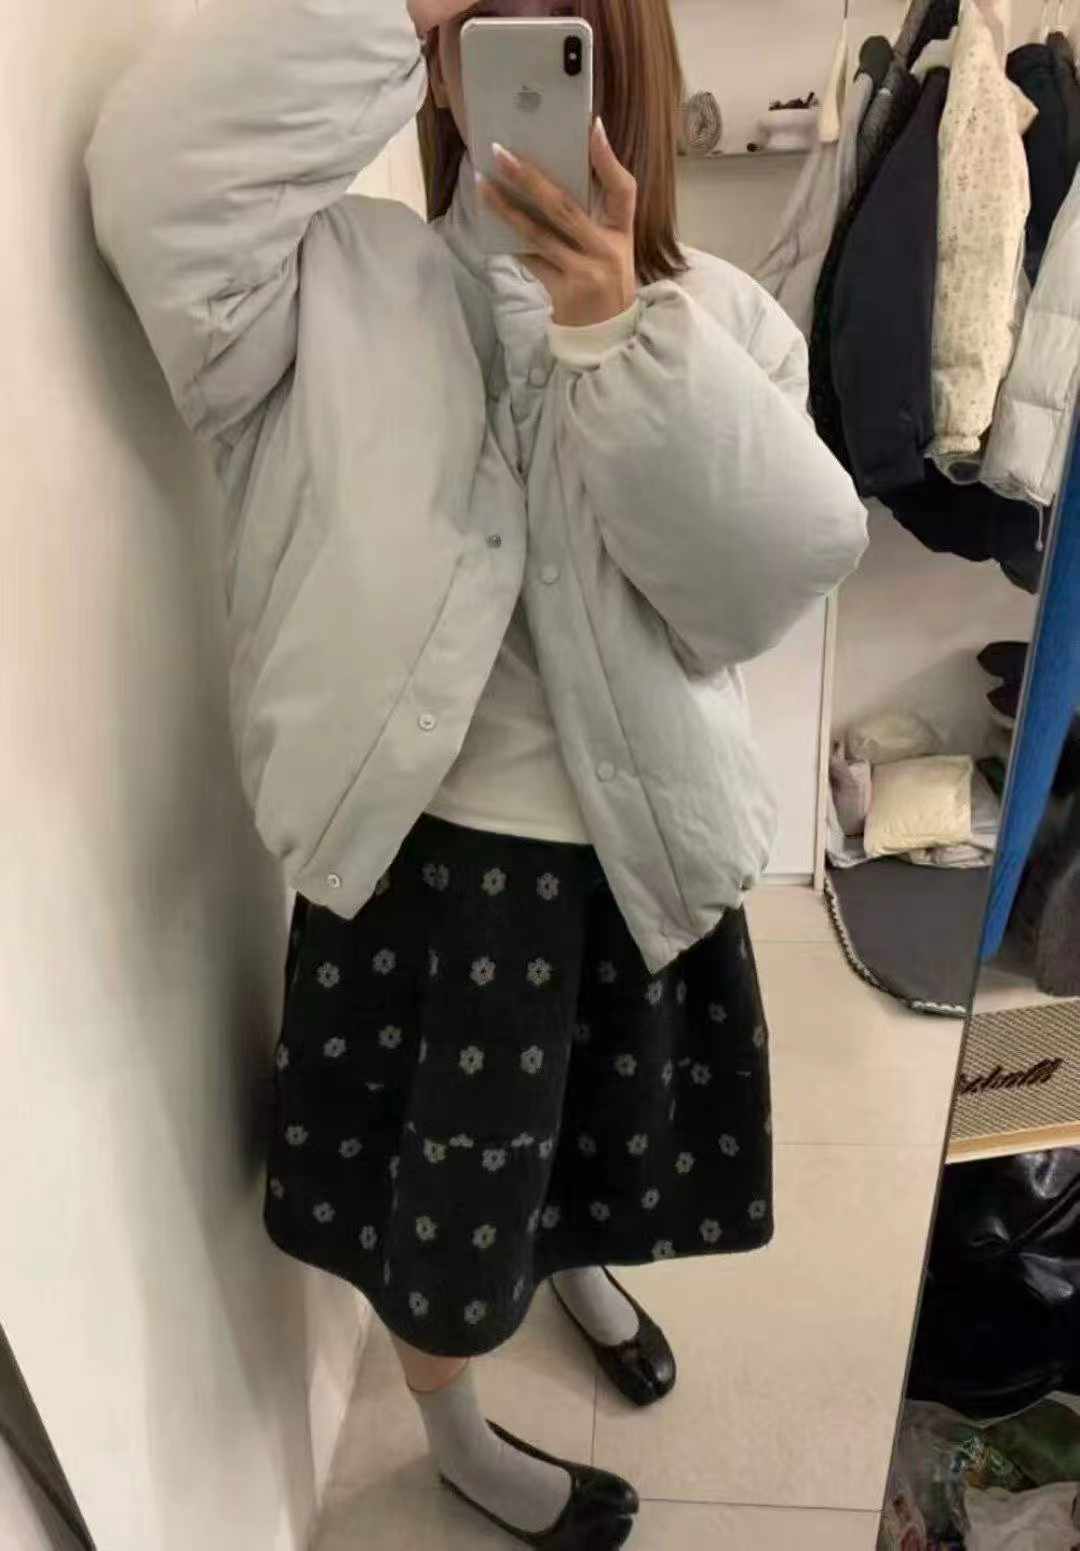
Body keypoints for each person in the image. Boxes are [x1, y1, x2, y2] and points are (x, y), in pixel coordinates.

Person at [85, 0, 867, 1545]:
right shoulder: (327, 284)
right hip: (426, 886)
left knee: (584, 1159)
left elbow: (767, 579)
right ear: (436, 67)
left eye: (558, 28)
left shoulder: (725, 325)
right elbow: (155, 176)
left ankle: (575, 1264)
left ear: (622, 62)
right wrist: (395, 3)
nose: (508, 56)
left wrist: (621, 341)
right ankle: (456, 1440)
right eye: (477, 26)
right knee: (438, 1233)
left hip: (634, 872)